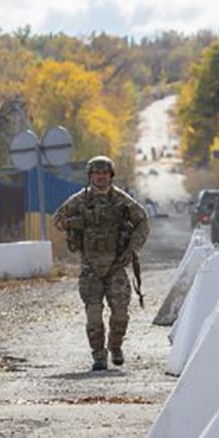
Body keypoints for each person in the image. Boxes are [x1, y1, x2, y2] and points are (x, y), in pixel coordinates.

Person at [53, 155, 150, 371]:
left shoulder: (122, 201)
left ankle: (115, 347)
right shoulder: (80, 201)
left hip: (116, 266)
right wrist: (78, 222)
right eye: (96, 173)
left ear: (111, 176)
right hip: (90, 267)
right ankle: (98, 355)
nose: (100, 177)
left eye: (104, 173)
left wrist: (132, 249)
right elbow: (58, 220)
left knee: (120, 314)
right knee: (94, 315)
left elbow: (142, 221)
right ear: (90, 176)